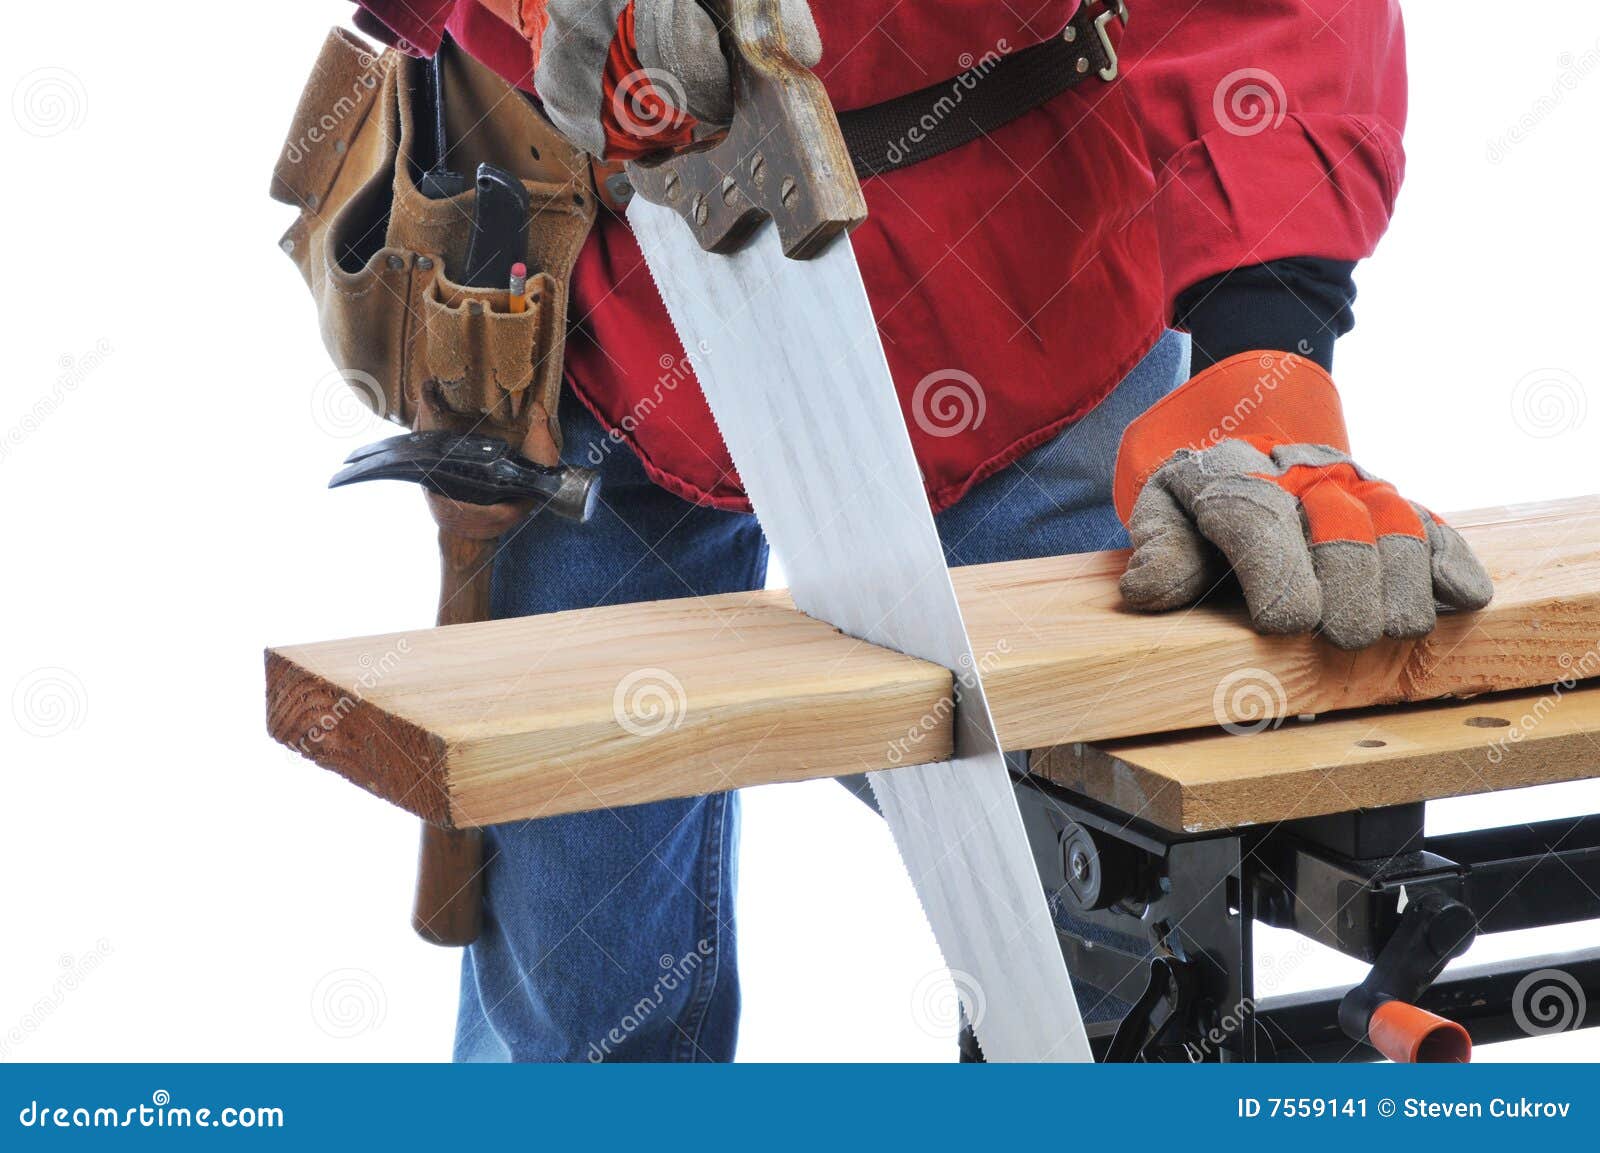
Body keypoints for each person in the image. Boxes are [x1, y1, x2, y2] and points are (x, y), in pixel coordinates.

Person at [340, 0, 1491, 1061]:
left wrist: (1262, 349)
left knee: (1103, 951)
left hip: (1011, 291)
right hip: (579, 295)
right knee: (575, 998)